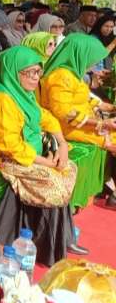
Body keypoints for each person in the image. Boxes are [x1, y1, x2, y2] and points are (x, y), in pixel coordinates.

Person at [0, 46, 79, 265]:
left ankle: (63, 235)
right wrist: (45, 162)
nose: (36, 78)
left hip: (21, 152)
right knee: (52, 179)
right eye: (30, 72)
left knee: (68, 166)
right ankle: (45, 245)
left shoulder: (20, 92)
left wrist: (62, 144)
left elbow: (45, 117)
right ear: (12, 71)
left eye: (38, 72)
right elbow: (9, 145)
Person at [38, 34, 116, 210]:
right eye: (92, 58)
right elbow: (65, 113)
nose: (94, 63)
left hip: (84, 122)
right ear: (80, 54)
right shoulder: (60, 77)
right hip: (67, 128)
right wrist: (101, 124)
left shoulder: (73, 73)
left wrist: (110, 108)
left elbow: (85, 98)